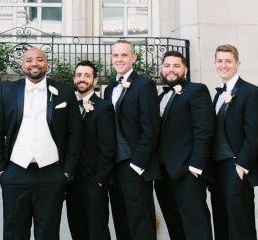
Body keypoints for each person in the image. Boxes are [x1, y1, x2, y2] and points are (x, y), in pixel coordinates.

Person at [0, 48, 81, 240]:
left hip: (51, 174)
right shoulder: (8, 90)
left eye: (39, 59)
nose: (34, 64)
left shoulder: (64, 91)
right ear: (22, 65)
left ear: (46, 63)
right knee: (14, 233)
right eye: (29, 60)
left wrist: (67, 172)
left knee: (48, 233)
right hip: (15, 173)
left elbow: (74, 134)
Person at [154, 51, 214, 240]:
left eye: (176, 65)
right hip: (162, 174)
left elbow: (204, 130)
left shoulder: (197, 90)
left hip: (188, 172)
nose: (171, 69)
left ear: (185, 69)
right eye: (167, 65)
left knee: (196, 225)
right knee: (175, 225)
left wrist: (195, 166)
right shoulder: (159, 97)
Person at [103, 40, 160, 240]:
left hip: (134, 166)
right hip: (114, 168)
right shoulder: (109, 89)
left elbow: (151, 128)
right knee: (122, 223)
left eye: (124, 55)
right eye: (115, 55)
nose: (119, 59)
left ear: (133, 58)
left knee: (140, 224)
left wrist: (137, 164)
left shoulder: (144, 85)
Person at [209, 44, 258, 240]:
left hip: (236, 168)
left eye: (228, 61)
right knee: (221, 222)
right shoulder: (218, 94)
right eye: (220, 61)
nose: (223, 65)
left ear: (238, 63)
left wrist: (241, 166)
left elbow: (254, 134)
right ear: (215, 63)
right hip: (217, 170)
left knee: (240, 225)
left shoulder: (252, 92)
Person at [65, 60, 115, 240]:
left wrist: (100, 180)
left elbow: (108, 147)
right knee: (77, 230)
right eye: (79, 75)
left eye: (87, 75)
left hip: (94, 181)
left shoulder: (104, 107)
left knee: (97, 232)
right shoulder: (66, 106)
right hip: (71, 182)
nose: (82, 79)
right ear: (74, 79)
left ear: (95, 80)